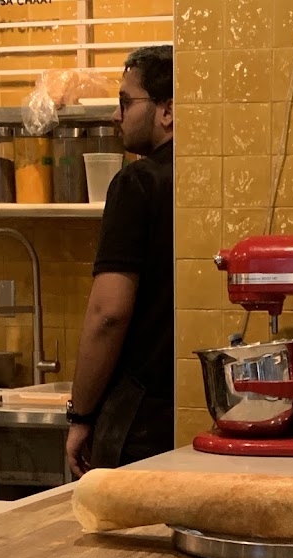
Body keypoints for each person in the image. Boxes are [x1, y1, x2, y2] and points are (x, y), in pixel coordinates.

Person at [66, 45, 174, 476]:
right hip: (192, 411)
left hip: (139, 422)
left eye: (126, 102)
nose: (116, 116)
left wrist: (80, 414)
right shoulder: (210, 183)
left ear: (167, 110)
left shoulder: (137, 182)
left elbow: (108, 314)